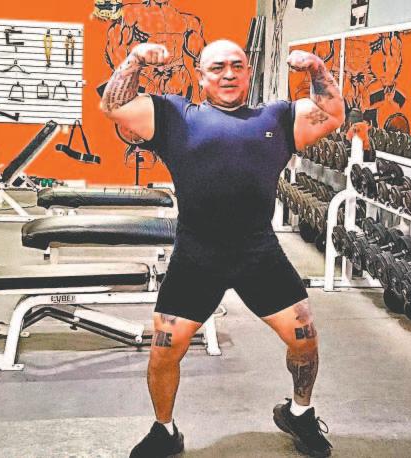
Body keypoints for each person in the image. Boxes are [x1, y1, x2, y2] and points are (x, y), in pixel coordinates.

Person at [100, 39, 344, 458]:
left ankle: (299, 413)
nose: (228, 74)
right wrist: (136, 59)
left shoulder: (278, 117)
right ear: (201, 77)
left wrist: (316, 68)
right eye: (217, 67)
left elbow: (333, 114)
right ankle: (164, 430)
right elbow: (114, 105)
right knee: (164, 350)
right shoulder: (174, 116)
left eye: (237, 66)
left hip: (258, 253)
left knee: (304, 340)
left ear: (249, 73)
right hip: (197, 255)